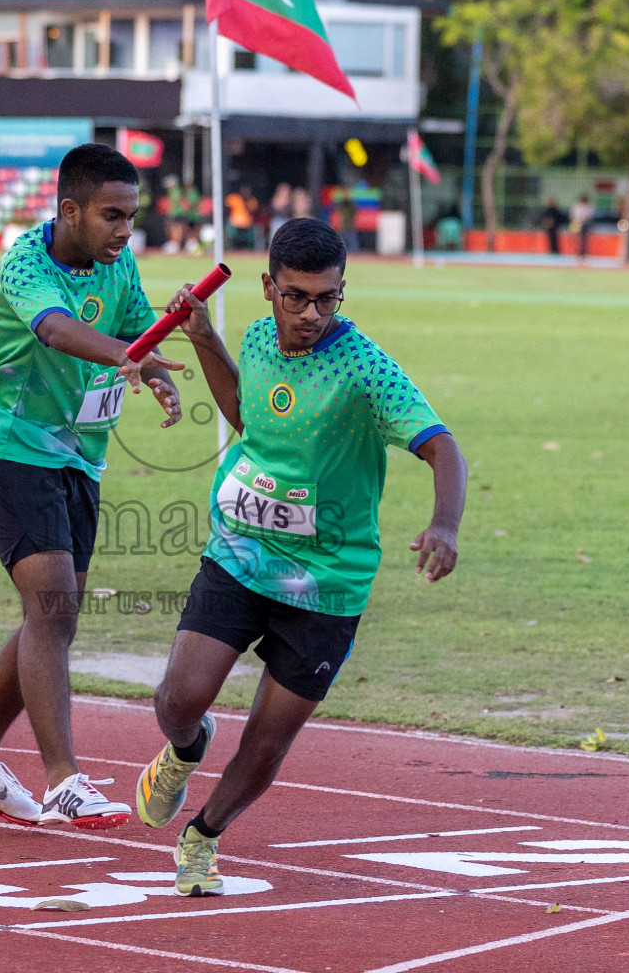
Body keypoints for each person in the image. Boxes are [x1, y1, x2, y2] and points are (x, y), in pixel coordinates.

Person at [133, 218, 467, 895]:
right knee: (179, 698)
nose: (312, 313)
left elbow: (442, 445)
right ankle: (187, 748)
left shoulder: (365, 367)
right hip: (241, 551)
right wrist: (203, 339)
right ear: (268, 288)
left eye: (329, 298)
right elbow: (248, 416)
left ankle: (203, 836)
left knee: (266, 741)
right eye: (297, 297)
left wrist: (445, 524)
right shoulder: (257, 338)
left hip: (326, 583)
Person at [0, 143, 185, 829]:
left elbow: (136, 324)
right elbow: (54, 329)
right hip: (9, 444)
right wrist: (129, 357)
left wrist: (156, 369)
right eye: (112, 216)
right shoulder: (25, 265)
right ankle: (62, 782)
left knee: (54, 615)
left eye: (131, 217)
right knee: (52, 610)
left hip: (78, 455)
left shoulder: (119, 262)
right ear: (69, 210)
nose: (124, 231)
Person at [226, 185, 255, 250]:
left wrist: (245, 202)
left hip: (246, 223)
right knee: (234, 239)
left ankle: (245, 250)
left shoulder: (251, 200)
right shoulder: (234, 198)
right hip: (235, 223)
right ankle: (233, 249)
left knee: (245, 240)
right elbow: (227, 209)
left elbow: (252, 210)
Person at [569, 195, 594, 260]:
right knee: (577, 239)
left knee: (585, 240)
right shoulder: (577, 206)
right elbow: (572, 214)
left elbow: (589, 215)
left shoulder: (589, 206)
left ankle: (584, 254)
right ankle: (577, 253)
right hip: (577, 224)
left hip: (585, 224)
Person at [334, 187, 359, 254]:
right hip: (343, 226)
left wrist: (349, 200)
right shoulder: (341, 204)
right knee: (342, 243)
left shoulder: (351, 204)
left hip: (350, 226)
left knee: (352, 243)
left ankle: (355, 257)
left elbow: (355, 211)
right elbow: (336, 210)